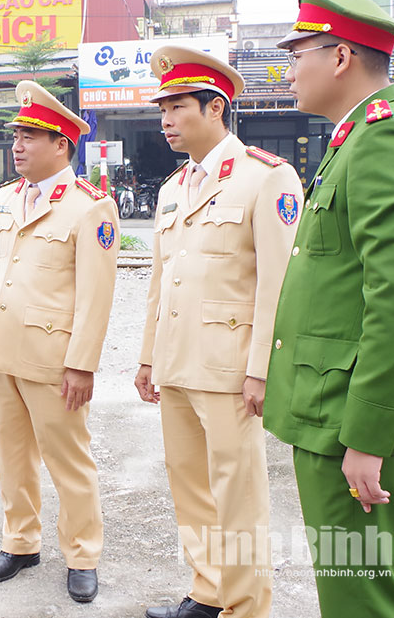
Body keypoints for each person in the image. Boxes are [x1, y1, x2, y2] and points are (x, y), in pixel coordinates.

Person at [265, 0, 394, 618]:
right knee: (363, 588)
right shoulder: (358, 137)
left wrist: (368, 437)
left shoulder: (386, 139)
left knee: (364, 599)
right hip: (339, 410)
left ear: (341, 56)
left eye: (297, 55)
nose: (288, 70)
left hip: (359, 419)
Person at [134, 47, 303, 618]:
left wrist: (262, 370)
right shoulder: (173, 188)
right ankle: (208, 591)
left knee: (239, 495)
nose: (166, 120)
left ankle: (247, 607)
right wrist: (147, 358)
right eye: (162, 109)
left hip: (231, 368)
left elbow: (279, 284)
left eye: (178, 107)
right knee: (190, 485)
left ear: (215, 108)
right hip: (177, 361)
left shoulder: (266, 177)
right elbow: (161, 282)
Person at [0, 80, 120, 604]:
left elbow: (96, 296)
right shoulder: (8, 198)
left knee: (69, 460)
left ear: (61, 145)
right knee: (13, 455)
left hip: (54, 360)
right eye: (16, 135)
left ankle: (82, 555)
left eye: (30, 136)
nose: (18, 145)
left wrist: (82, 364)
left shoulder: (90, 206)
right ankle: (20, 542)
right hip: (4, 349)